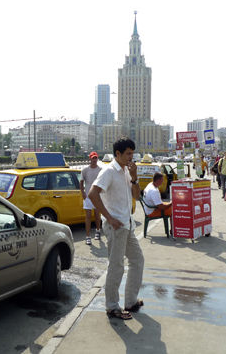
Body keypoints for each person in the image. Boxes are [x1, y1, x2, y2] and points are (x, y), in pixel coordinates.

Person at [88, 137, 143, 320]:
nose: (131, 157)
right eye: (128, 154)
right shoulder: (109, 171)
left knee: (137, 260)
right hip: (116, 226)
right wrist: (109, 218)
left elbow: (136, 196)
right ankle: (112, 306)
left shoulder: (127, 171)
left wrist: (134, 178)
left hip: (127, 224)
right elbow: (92, 194)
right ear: (117, 154)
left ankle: (130, 301)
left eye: (132, 154)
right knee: (117, 265)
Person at [80, 151, 102, 245]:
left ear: (97, 159)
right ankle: (88, 236)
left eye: (95, 158)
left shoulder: (101, 170)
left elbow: (103, 182)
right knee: (88, 216)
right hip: (88, 197)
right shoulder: (85, 170)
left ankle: (98, 231)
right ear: (90, 159)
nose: (94, 160)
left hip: (97, 196)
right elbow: (81, 182)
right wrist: (83, 194)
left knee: (97, 215)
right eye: (93, 158)